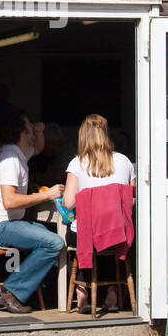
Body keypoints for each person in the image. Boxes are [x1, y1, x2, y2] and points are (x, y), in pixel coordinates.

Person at [0, 110, 64, 314]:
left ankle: (40, 291)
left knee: (55, 237)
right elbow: (10, 201)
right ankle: (9, 290)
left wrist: (39, 131)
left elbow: (38, 148)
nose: (33, 127)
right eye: (29, 125)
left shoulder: (17, 153)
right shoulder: (11, 160)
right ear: (21, 131)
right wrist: (47, 195)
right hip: (4, 226)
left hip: (9, 224)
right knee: (54, 242)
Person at [63, 115, 136, 314]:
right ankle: (112, 291)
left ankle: (82, 290)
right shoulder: (125, 162)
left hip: (87, 236)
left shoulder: (77, 163)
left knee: (77, 235)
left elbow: (68, 203)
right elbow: (131, 200)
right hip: (118, 235)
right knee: (108, 239)